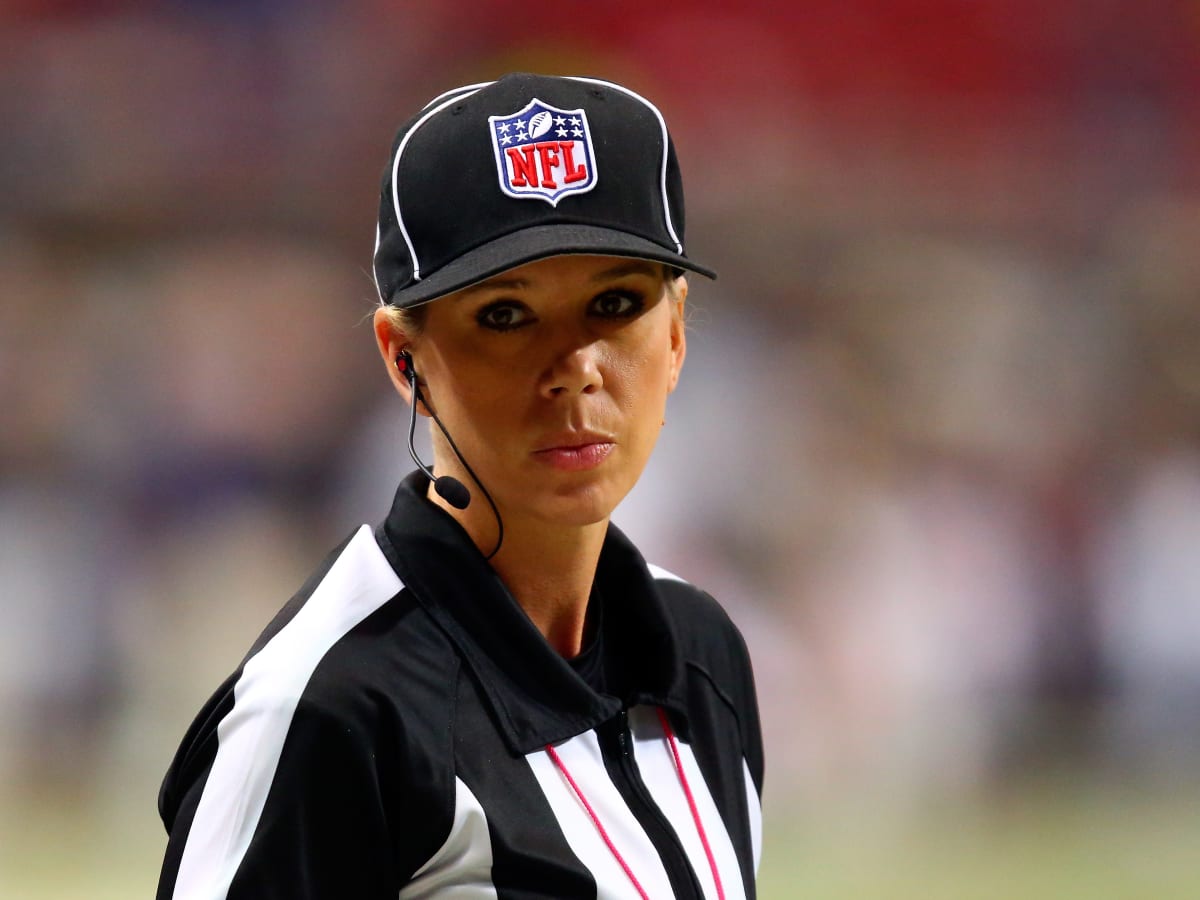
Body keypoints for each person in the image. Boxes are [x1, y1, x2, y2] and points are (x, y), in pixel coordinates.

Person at [156, 72, 764, 900]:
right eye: (506, 315)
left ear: (678, 336)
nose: (575, 369)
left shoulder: (700, 654)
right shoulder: (335, 703)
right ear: (404, 360)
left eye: (616, 302)